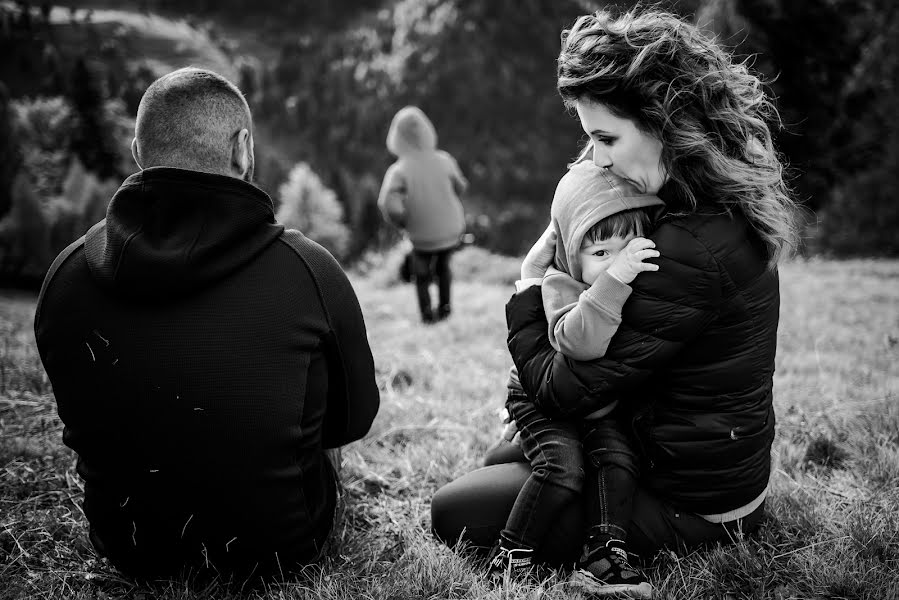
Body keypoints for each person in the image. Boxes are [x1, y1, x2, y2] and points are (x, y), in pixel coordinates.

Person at [431, 6, 798, 597]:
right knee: (509, 454)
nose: (597, 160)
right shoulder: (707, 203)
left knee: (454, 511)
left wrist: (527, 293)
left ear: (667, 123)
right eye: (589, 137)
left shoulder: (684, 249)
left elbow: (562, 387)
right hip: (700, 463)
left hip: (693, 502)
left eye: (607, 138)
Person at [34, 67, 380, 580]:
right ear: (242, 149)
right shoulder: (308, 271)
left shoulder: (65, 277)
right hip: (279, 552)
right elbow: (352, 421)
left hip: (129, 548)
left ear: (138, 153)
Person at [486, 160, 663, 600]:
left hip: (593, 405)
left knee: (618, 459)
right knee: (563, 467)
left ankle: (602, 554)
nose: (612, 265)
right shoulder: (561, 285)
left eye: (626, 251)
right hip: (539, 397)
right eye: (600, 255)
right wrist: (618, 277)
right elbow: (578, 341)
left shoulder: (632, 283)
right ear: (570, 254)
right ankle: (510, 554)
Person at [378, 106, 468, 323]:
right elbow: (461, 186)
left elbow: (388, 204)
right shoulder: (445, 160)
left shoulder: (399, 170)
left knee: (422, 273)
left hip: (421, 234)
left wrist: (403, 221)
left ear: (397, 137)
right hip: (451, 229)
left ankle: (427, 315)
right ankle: (445, 309)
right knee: (443, 267)